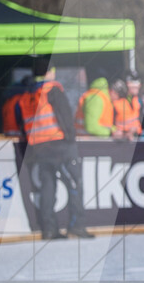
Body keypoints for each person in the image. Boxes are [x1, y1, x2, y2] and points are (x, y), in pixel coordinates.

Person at [15, 56, 93, 239]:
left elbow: (21, 123)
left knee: (47, 187)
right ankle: (77, 225)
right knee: (75, 183)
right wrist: (70, 139)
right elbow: (65, 116)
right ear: (49, 72)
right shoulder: (52, 90)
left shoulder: (25, 96)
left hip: (39, 148)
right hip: (60, 145)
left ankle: (49, 229)